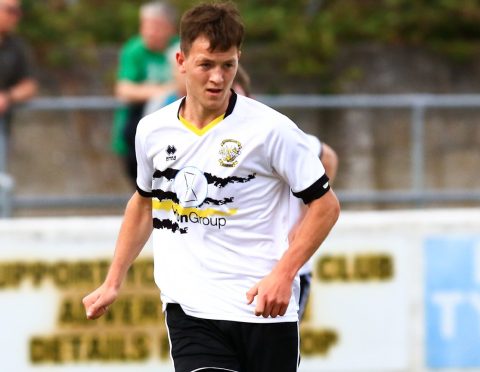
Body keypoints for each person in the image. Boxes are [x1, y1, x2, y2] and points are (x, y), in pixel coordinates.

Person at [83, 2, 340, 372]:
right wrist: (113, 281)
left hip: (263, 312)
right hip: (192, 309)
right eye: (206, 64)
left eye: (228, 65)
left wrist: (284, 274)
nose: (217, 78)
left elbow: (326, 205)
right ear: (182, 61)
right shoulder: (152, 131)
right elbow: (143, 205)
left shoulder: (271, 129)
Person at [232, 64, 338, 321]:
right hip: (233, 274)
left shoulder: (273, 134)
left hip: (286, 269)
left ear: (250, 99)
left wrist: (304, 218)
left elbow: (328, 157)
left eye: (235, 97)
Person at [111, 1, 179, 182]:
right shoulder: (134, 49)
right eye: (145, 26)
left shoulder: (182, 47)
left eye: (156, 27)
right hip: (135, 131)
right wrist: (162, 90)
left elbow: (191, 87)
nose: (149, 32)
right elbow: (124, 90)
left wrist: (149, 89)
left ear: (170, 28)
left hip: (173, 134)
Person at [0, 0, 38, 134]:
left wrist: (7, 97)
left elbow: (29, 86)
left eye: (18, 12)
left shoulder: (16, 46)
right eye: (11, 10)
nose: (16, 16)